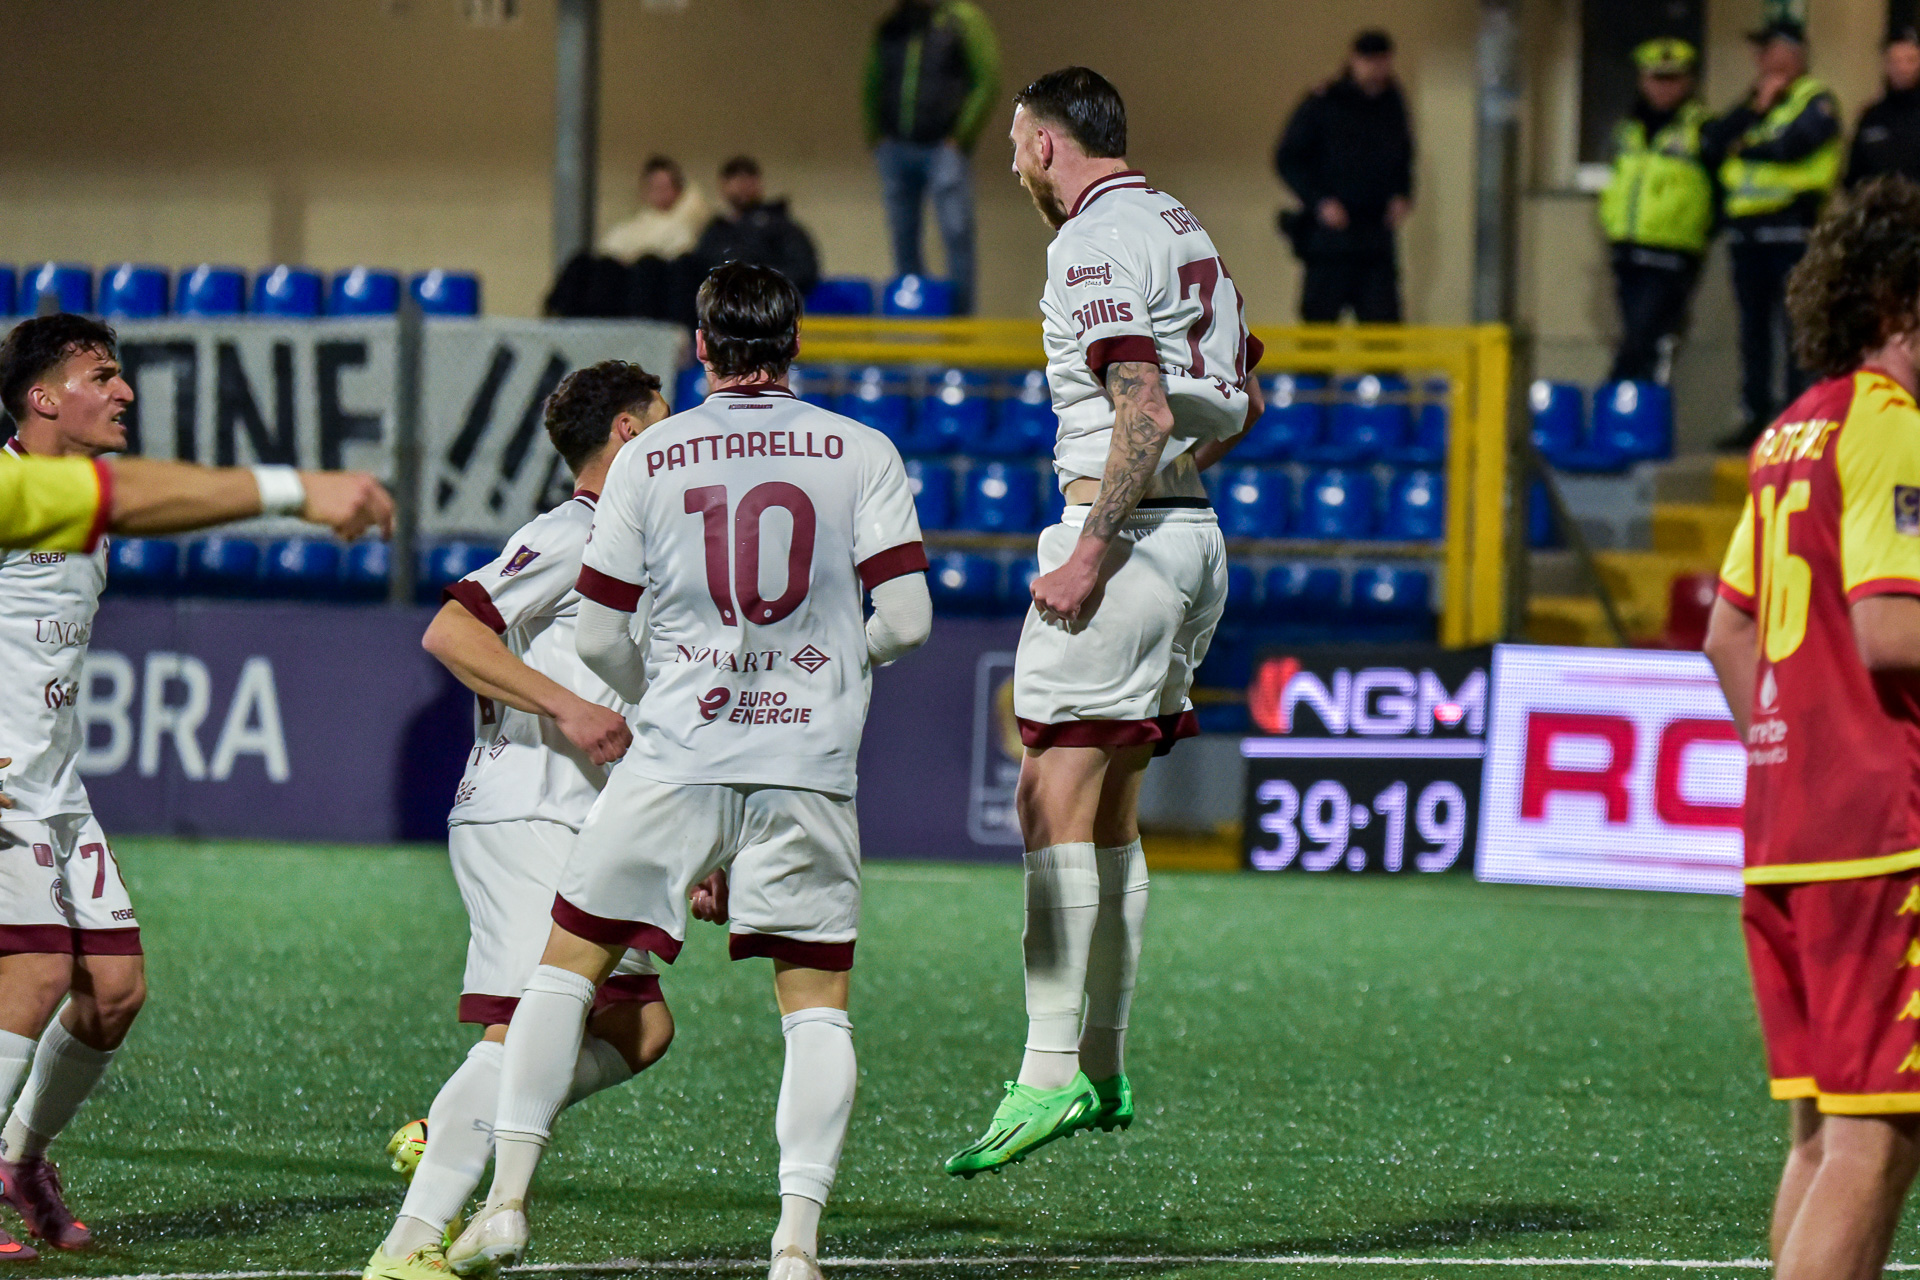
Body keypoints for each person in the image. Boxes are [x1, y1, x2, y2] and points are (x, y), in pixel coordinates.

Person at [444, 262, 931, 1280]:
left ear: (702, 347)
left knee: (562, 972)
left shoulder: (651, 456)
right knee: (817, 1007)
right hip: (805, 759)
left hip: (677, 752)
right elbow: (910, 618)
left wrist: (665, 687)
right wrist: (834, 667)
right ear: (796, 341)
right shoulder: (863, 450)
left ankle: (506, 1203)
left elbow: (603, 634)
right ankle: (795, 1245)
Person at [0, 313, 385, 1260]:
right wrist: (299, 491)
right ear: (42, 397)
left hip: (55, 786)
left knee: (114, 994)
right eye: (101, 375)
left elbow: (129, 498)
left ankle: (19, 1161)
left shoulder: (68, 503)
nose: (125, 391)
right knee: (37, 973)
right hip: (3, 790)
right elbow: (135, 494)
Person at [945, 67, 1262, 1178]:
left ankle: (1047, 1073)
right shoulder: (1183, 225)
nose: (1015, 167)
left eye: (1015, 146)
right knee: (1112, 811)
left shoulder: (1089, 240)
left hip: (1124, 544)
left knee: (1049, 793)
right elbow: (1242, 395)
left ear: (1044, 144)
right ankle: (1105, 1064)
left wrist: (1090, 548)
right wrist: (1167, 485)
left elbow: (1142, 403)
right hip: (1192, 535)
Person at [361, 361, 681, 1280]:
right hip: (529, 809)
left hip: (589, 821)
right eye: (662, 420)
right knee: (521, 1031)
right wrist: (568, 710)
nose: (677, 438)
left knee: (640, 1031)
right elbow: (451, 630)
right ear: (627, 432)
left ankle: (468, 1120)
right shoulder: (574, 532)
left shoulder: (641, 548)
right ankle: (409, 1245)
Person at [1703, 175, 1920, 1280]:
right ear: (1896, 300)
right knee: (1878, 1144)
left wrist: (1794, 755)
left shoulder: (1792, 429)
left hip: (1788, 831)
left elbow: (1728, 635)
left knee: (1824, 1136)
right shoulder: (1893, 427)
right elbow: (1891, 630)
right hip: (1882, 837)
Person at [1704, 18, 1843, 449]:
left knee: (1796, 330)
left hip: (1790, 233)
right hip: (1747, 236)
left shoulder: (1814, 100)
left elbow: (1791, 147)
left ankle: (1799, 419)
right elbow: (1711, 143)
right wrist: (1755, 112)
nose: (1761, 58)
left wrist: (1744, 145)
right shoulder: (1754, 103)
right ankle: (1755, 416)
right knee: (1753, 332)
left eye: (1769, 49)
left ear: (1794, 54)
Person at [864, 0, 1002, 316]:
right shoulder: (892, 25)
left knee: (956, 233)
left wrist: (960, 137)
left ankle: (960, 322)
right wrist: (876, 135)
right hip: (895, 148)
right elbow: (872, 80)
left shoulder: (963, 20)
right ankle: (912, 316)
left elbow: (987, 79)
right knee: (903, 236)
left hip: (943, 148)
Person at [1274, 29, 1415, 324]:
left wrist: (1403, 194)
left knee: (1383, 330)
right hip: (1331, 239)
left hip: (1375, 236)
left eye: (1381, 61)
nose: (1375, 68)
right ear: (1353, 60)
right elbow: (1288, 158)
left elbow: (1404, 155)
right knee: (1319, 329)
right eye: (1368, 60)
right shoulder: (1325, 102)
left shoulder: (1392, 104)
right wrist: (1320, 201)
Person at [1598, 38, 1714, 385]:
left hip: (1673, 248)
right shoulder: (1628, 128)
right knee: (1637, 333)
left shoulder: (1702, 129)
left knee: (1646, 334)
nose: (1663, 87)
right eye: (1655, 78)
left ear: (1688, 81)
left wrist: (1701, 229)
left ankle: (1619, 395)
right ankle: (1633, 401)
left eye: (1672, 78)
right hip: (1628, 244)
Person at [681, 158, 820, 324]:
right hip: (718, 313)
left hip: (763, 312)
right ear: (722, 186)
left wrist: (756, 283)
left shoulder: (781, 227)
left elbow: (803, 270)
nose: (742, 186)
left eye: (747, 178)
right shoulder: (715, 230)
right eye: (735, 179)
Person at [600, 156, 711, 264]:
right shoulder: (630, 227)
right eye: (656, 187)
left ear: (677, 190)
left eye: (666, 187)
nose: (661, 193)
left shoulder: (685, 227)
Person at [1846, 28, 1920, 188]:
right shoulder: (1871, 118)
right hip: (1877, 202)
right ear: (1886, 65)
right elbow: (1853, 179)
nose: (1903, 68)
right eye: (1896, 61)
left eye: (1910, 60)